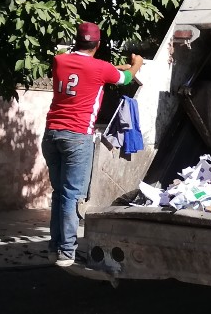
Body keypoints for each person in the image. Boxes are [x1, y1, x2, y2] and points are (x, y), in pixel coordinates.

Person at [42, 21, 143, 267]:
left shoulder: (59, 60)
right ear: (97, 45)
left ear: (76, 41)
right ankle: (67, 251)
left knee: (59, 194)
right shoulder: (100, 69)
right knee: (71, 196)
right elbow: (126, 76)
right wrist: (136, 63)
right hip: (78, 137)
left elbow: (92, 69)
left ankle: (55, 247)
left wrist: (111, 66)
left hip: (52, 134)